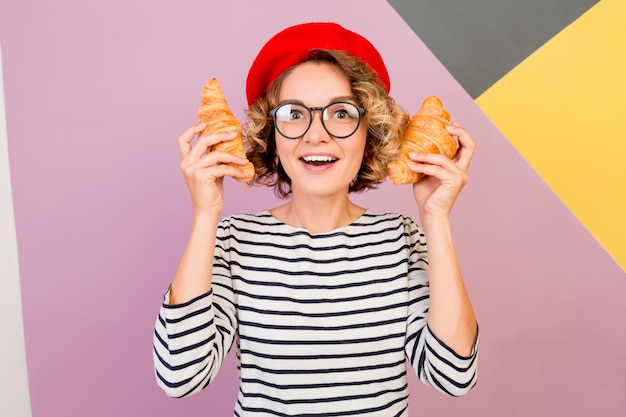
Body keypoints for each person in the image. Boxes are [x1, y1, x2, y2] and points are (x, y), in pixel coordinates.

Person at [153, 22, 479, 416]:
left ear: (369, 132)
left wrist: (436, 218)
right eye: (294, 114)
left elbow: (453, 374)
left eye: (341, 113)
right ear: (271, 134)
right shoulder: (231, 240)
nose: (316, 135)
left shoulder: (402, 238)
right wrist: (205, 214)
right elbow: (179, 374)